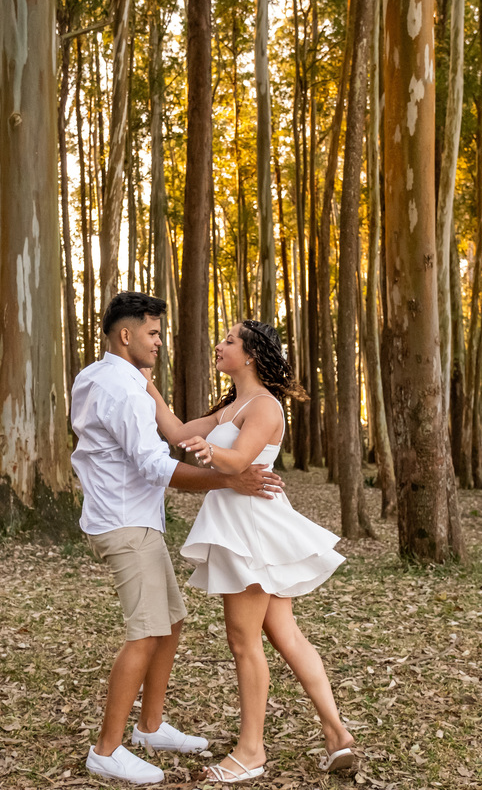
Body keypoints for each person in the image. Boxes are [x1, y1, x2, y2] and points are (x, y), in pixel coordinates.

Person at [71, 292, 285, 785]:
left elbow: (166, 435)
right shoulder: (124, 390)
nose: (159, 342)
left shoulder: (97, 376)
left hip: (126, 516)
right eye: (152, 333)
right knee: (147, 632)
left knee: (170, 622)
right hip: (126, 521)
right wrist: (229, 480)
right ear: (126, 334)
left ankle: (150, 727)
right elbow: (155, 466)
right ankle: (107, 750)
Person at [146, 319, 357, 783]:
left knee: (244, 641)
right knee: (285, 634)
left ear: (251, 355)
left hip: (251, 531)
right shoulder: (230, 408)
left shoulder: (263, 406)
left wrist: (207, 451)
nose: (219, 345)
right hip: (244, 525)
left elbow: (240, 460)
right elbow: (176, 430)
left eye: (229, 340)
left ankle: (251, 752)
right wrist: (144, 382)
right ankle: (337, 734)